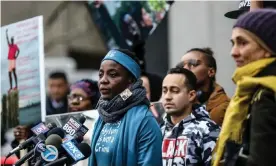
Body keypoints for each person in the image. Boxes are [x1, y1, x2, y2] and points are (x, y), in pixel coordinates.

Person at [213, 9, 276, 166]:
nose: (233, 52)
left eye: (243, 43)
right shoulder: (252, 89)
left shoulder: (265, 95)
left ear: (268, 48)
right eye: (233, 43)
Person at [89, 49, 162, 166]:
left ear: (131, 80)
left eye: (113, 74)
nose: (103, 80)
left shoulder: (144, 120)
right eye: (101, 74)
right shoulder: (103, 115)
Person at [161, 67, 220, 166]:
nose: (167, 97)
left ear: (191, 95)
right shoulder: (159, 130)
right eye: (164, 91)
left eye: (174, 91)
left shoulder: (208, 130)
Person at [178, 47, 230, 126]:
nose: (184, 69)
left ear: (211, 72)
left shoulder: (225, 108)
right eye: (182, 66)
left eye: (193, 64)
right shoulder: (176, 104)